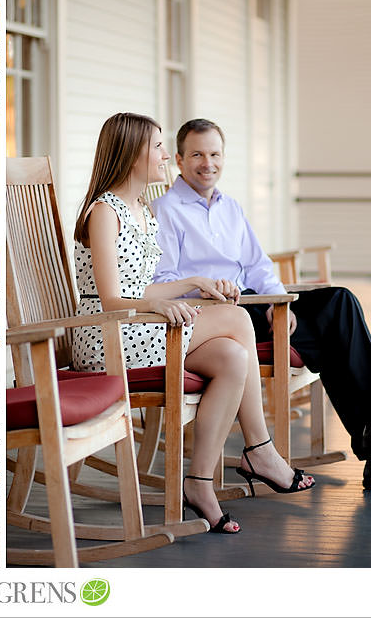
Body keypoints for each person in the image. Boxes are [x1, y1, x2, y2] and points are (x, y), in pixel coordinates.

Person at [152, 118, 371, 493]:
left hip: (256, 304)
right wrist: (205, 291)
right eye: (197, 154)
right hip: (214, 316)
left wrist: (276, 304)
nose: (208, 163)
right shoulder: (165, 210)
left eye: (215, 154)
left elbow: (258, 265)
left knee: (339, 302)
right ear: (181, 160)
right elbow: (164, 280)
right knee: (335, 340)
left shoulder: (229, 207)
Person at [72, 112, 316, 534]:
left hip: (139, 325)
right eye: (159, 147)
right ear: (133, 155)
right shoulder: (105, 212)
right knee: (238, 317)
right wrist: (170, 301)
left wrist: (192, 285)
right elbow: (112, 298)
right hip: (108, 335)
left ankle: (199, 481)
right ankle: (260, 450)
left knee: (233, 357)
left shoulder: (142, 212)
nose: (167, 156)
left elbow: (145, 286)